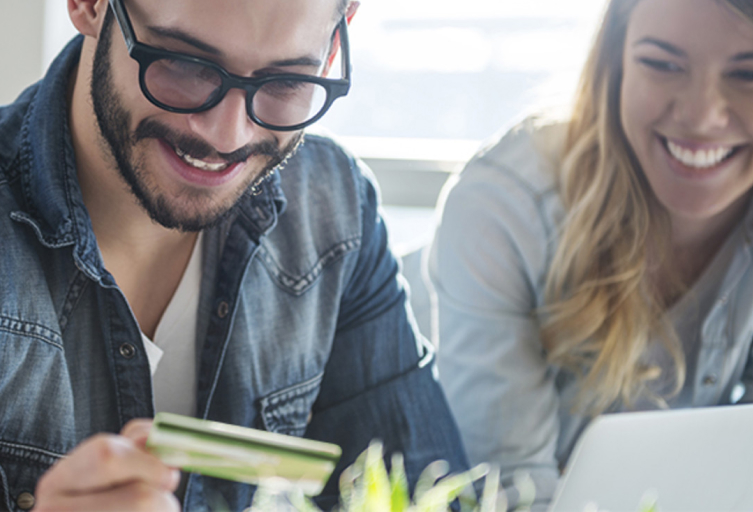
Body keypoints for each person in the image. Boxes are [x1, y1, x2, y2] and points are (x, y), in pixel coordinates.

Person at [0, 0, 469, 510]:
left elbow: (431, 495)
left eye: (285, 82)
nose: (227, 136)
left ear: (334, 45)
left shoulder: (334, 210)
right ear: (89, 6)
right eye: (184, 65)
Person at [429, 0, 753, 509]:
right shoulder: (505, 207)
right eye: (663, 64)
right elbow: (509, 491)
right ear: (615, 63)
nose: (700, 115)